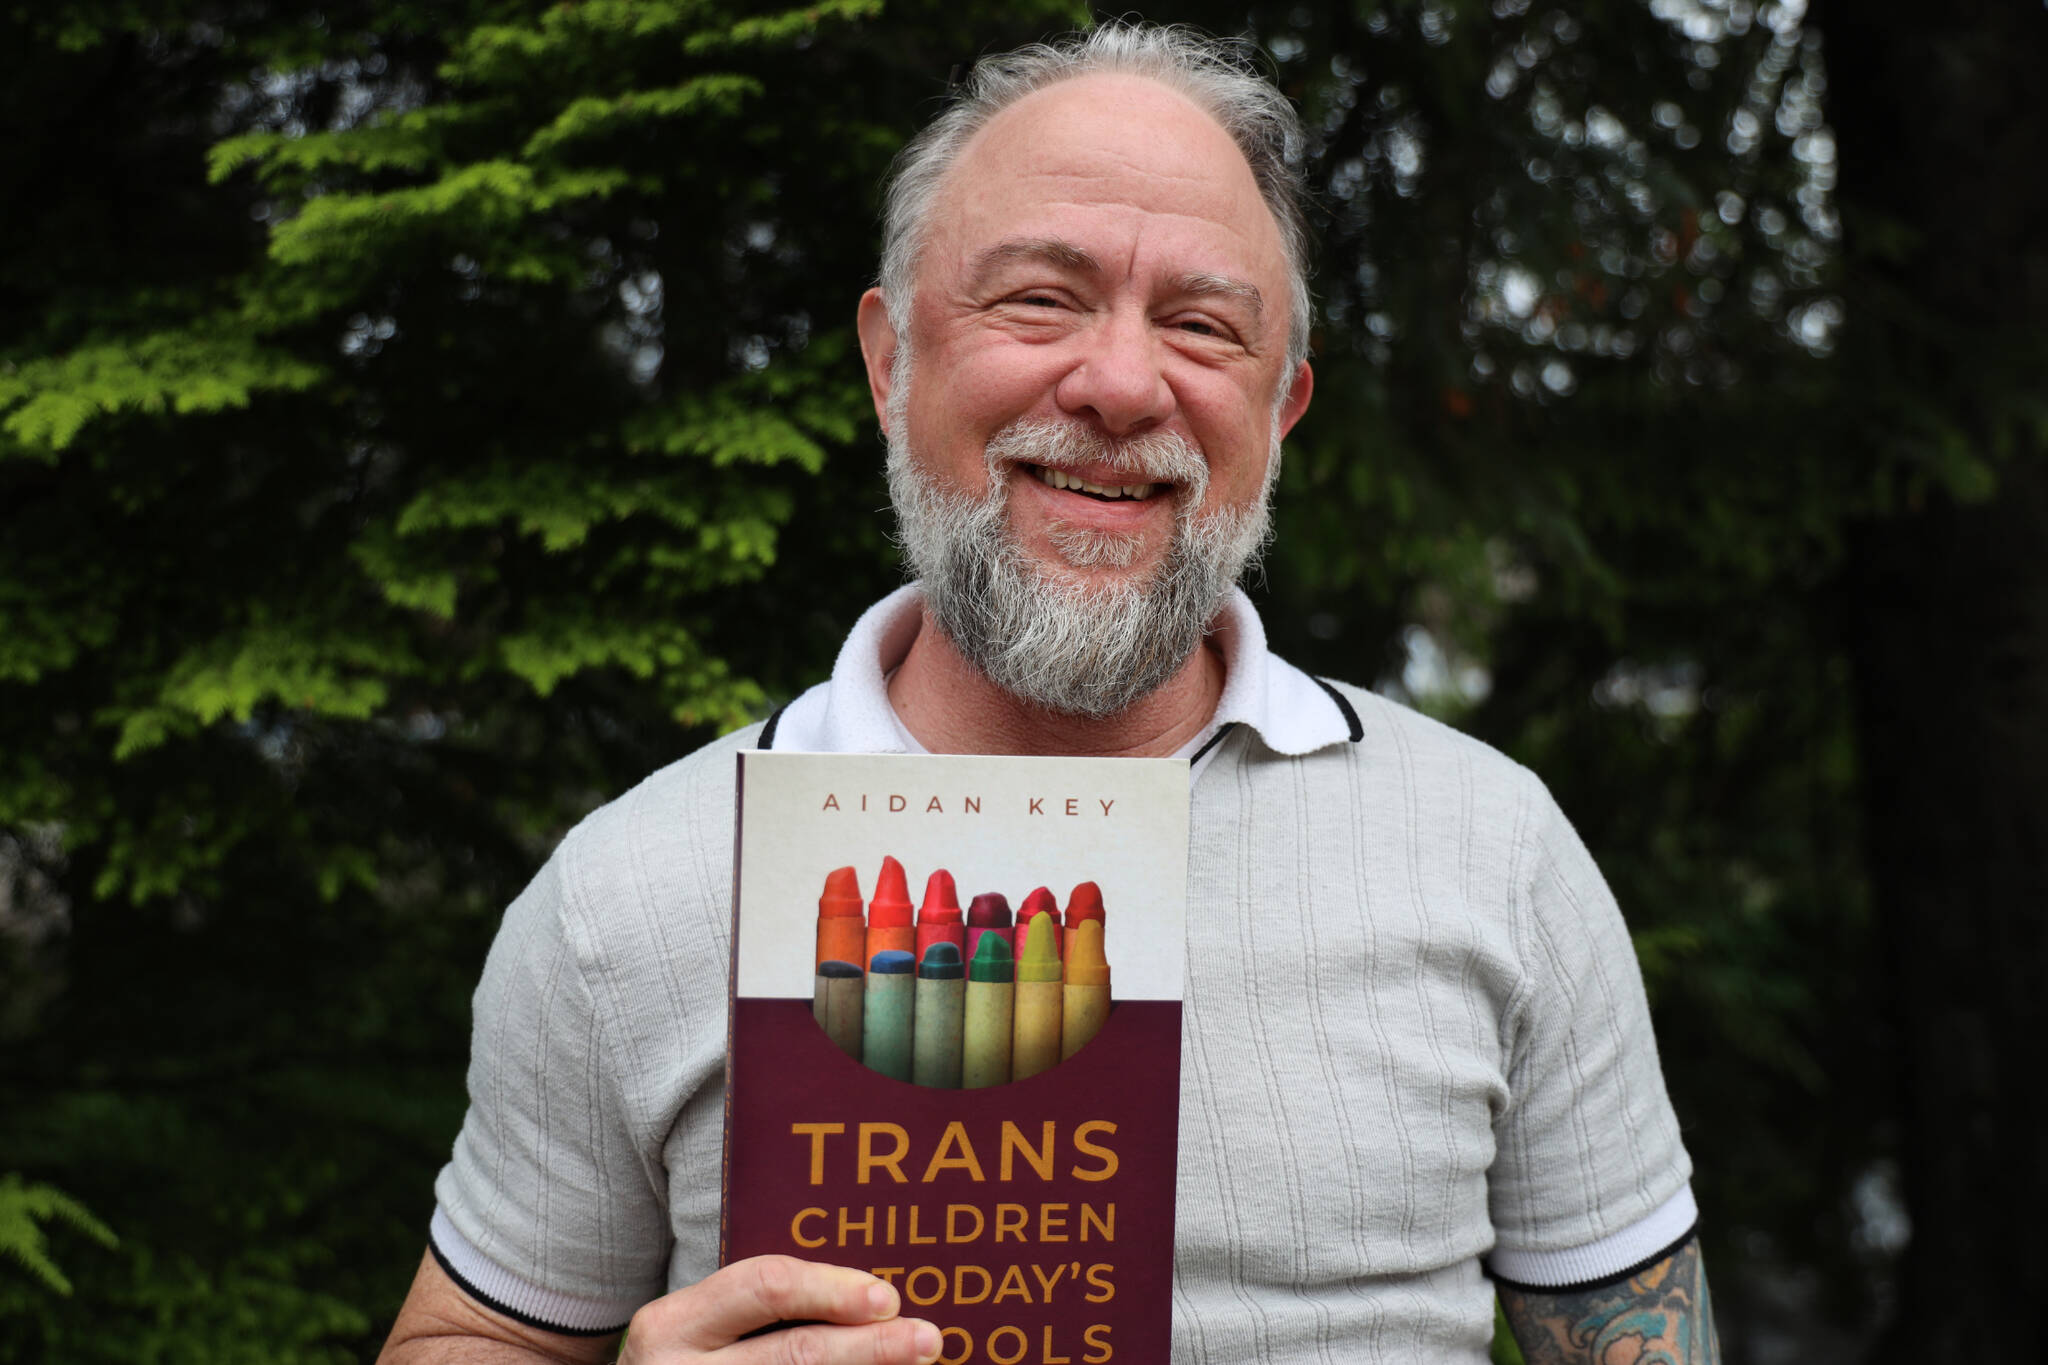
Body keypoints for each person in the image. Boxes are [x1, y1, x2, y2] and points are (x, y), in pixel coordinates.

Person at [379, 23, 1716, 1364]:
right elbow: (463, 1336)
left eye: (1201, 326)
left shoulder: (1494, 849)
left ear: (1282, 409)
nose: (1124, 385)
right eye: (1040, 298)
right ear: (890, 362)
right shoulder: (632, 892)